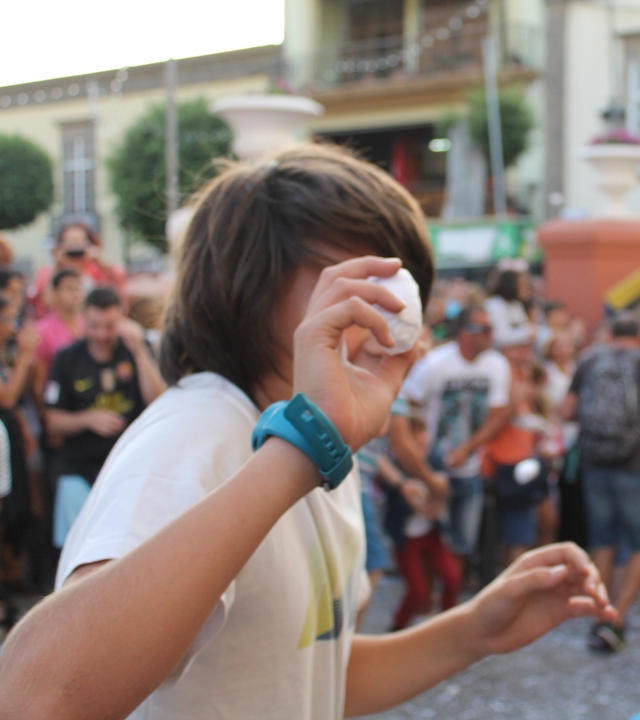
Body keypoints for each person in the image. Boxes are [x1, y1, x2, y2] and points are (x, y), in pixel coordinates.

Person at [0, 144, 615, 720]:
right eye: (353, 275)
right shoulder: (197, 436)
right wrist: (306, 444)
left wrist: (475, 629)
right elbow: (34, 696)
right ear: (249, 287)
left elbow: (306, 669)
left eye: (402, 284)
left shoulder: (312, 434)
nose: (391, 308)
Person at [44, 287, 166, 549]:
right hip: (78, 468)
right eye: (94, 326)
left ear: (121, 319)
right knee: (75, 546)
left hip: (128, 467)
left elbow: (159, 402)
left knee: (125, 547)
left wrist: (140, 352)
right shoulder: (66, 359)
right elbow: (51, 421)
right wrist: (87, 419)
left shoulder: (134, 351)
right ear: (83, 320)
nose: (101, 334)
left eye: (109, 326)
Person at [401, 305, 511, 567]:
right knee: (426, 535)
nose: (489, 335)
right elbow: (408, 407)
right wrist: (417, 448)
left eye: (490, 329)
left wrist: (468, 448)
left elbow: (497, 414)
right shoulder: (435, 364)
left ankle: (451, 595)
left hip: (467, 465)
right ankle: (430, 600)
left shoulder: (496, 365)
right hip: (432, 462)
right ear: (464, 332)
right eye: (482, 329)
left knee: (463, 540)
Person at [561, 312, 640, 653]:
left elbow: (566, 411)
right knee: (636, 545)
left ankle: (599, 614)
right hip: (635, 466)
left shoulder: (589, 360)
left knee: (603, 542)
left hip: (595, 464)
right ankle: (618, 618)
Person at [30, 222, 126, 319]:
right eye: (70, 242)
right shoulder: (49, 271)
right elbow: (45, 302)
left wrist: (100, 261)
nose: (75, 248)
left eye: (80, 242)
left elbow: (119, 287)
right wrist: (57, 265)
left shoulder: (97, 269)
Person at [33, 269, 85, 402]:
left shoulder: (90, 325)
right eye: (69, 289)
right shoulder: (43, 331)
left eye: (78, 288)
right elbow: (38, 382)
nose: (75, 294)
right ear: (55, 293)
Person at [484, 269, 534, 350]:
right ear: (511, 285)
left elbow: (526, 327)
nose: (526, 289)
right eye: (522, 285)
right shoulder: (494, 305)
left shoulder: (516, 305)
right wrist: (527, 332)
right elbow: (499, 337)